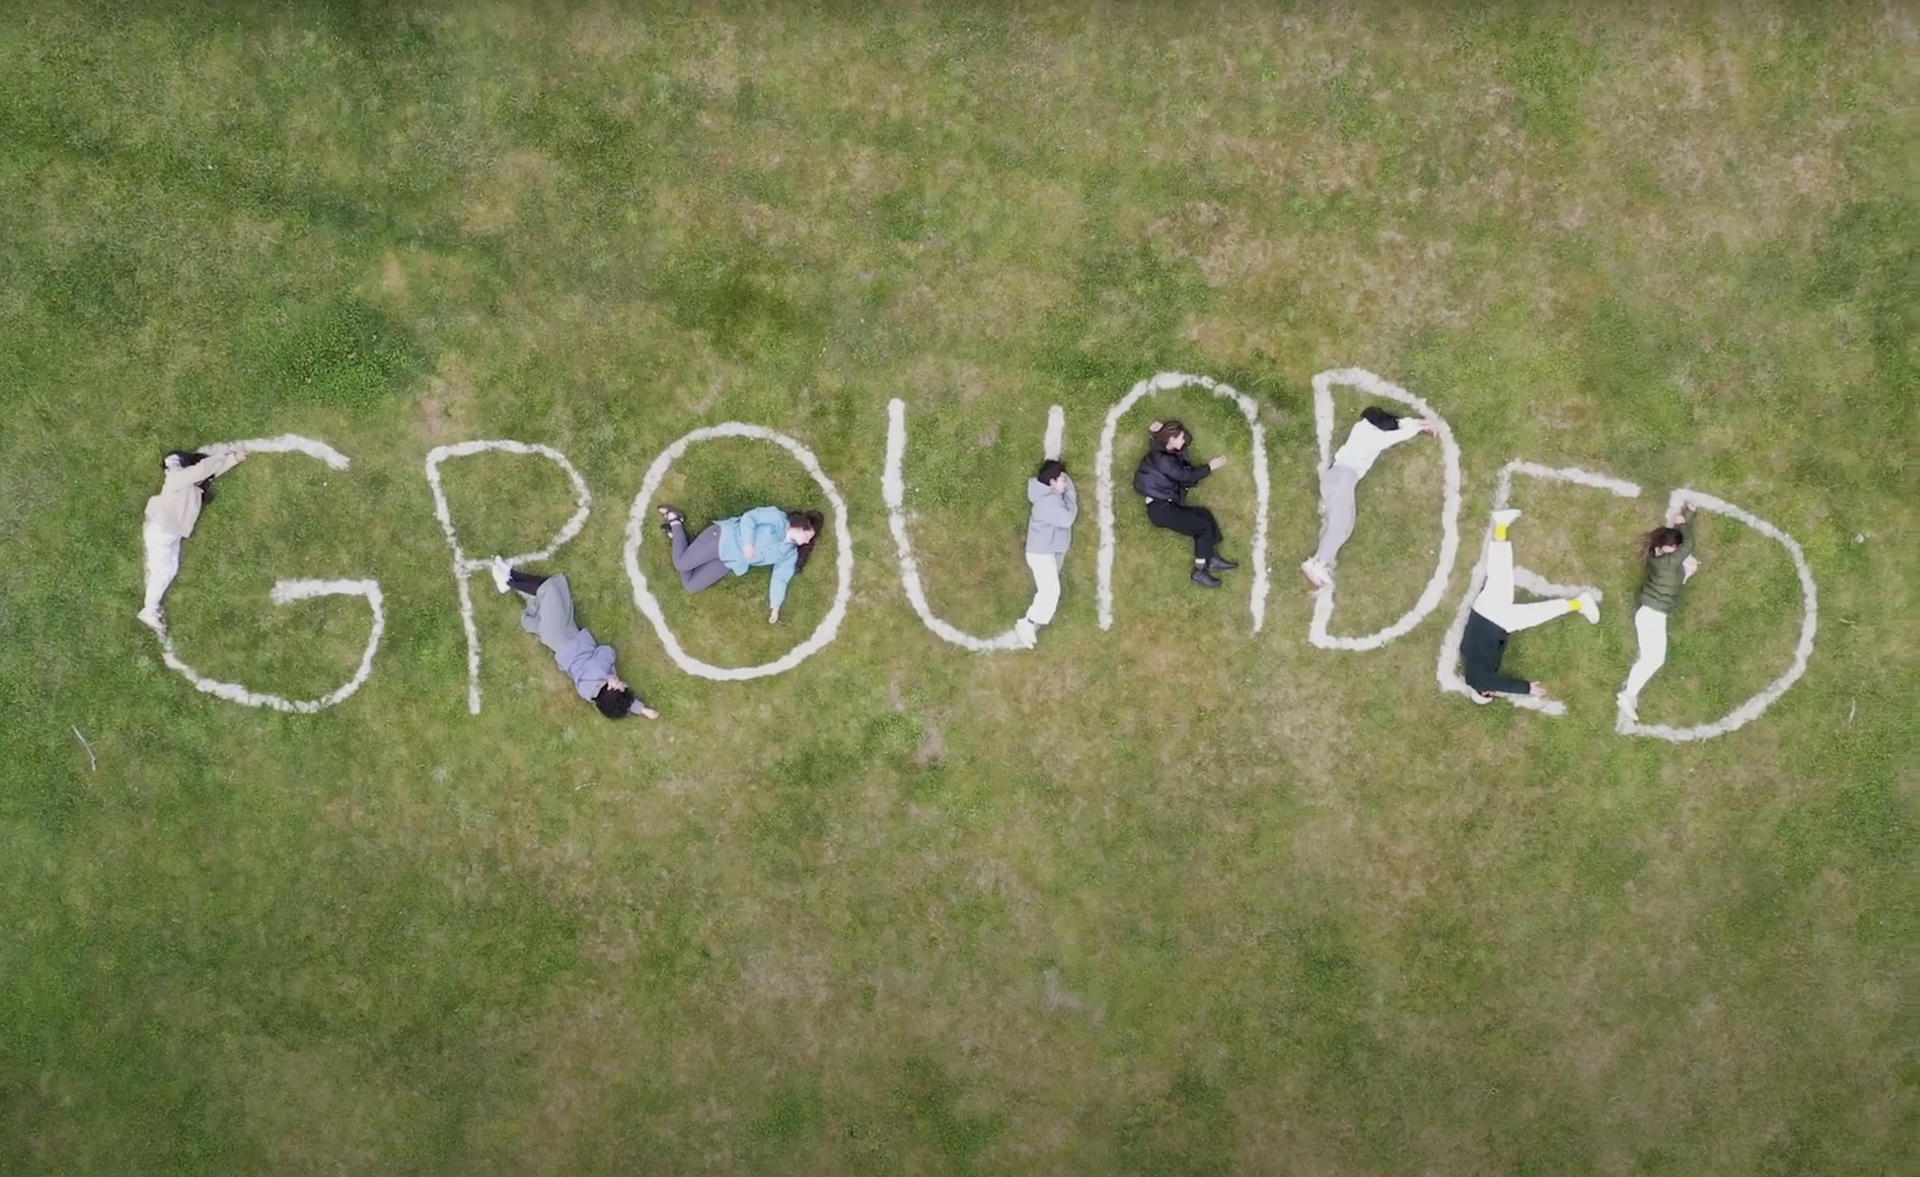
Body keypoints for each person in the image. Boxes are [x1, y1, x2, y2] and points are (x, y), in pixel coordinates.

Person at [1459, 509, 1599, 703]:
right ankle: (1501, 525)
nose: (1493, 691)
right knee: (1500, 573)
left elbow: (1496, 682)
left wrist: (1527, 689)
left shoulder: (1479, 681)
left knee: (1537, 614)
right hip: (1482, 610)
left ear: (1484, 692)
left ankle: (1579, 603)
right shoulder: (1466, 655)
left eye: (1491, 693)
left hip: (1497, 620)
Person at [489, 561, 658, 719]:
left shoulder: (598, 670)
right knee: (551, 602)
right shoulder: (590, 694)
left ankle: (508, 581)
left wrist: (609, 673)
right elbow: (623, 703)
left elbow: (606, 651)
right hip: (563, 642)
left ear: (612, 689)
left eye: (620, 685)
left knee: (550, 588)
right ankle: (512, 576)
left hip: (563, 635)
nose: (621, 681)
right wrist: (643, 710)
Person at [1300, 406, 1438, 588]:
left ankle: (1321, 562)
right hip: (1343, 478)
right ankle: (1317, 562)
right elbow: (1394, 434)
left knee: (1344, 526)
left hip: (1336, 478)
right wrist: (1420, 427)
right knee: (1340, 525)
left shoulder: (1365, 427)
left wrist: (1420, 423)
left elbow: (1396, 424)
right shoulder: (1372, 435)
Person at [655, 505, 822, 624]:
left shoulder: (790, 553)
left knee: (691, 586)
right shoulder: (777, 518)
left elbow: (780, 578)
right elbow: (750, 517)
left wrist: (775, 606)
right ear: (802, 526)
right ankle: (675, 520)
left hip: (729, 561)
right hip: (722, 538)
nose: (808, 541)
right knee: (681, 565)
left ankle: (679, 539)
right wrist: (748, 543)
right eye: (809, 535)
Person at [138, 447, 247, 630]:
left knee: (168, 569)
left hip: (169, 533)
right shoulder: (177, 478)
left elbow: (208, 473)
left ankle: (151, 606)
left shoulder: (192, 485)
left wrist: (233, 459)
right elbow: (202, 470)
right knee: (164, 570)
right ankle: (149, 610)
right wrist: (221, 454)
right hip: (162, 531)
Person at [1617, 503, 1701, 722]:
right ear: (1665, 548)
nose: (1677, 550)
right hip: (1652, 615)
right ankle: (1628, 694)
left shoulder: (1663, 559)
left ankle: (1629, 694)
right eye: (1673, 548)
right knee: (1654, 659)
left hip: (1651, 614)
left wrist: (1686, 517)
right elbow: (1688, 543)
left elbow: (1680, 544)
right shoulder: (1669, 562)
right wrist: (1685, 520)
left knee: (1652, 659)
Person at [1133, 419, 1236, 588]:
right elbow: (1185, 476)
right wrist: (1210, 467)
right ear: (1171, 439)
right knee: (1201, 526)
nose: (1183, 441)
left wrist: (1156, 432)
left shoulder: (1162, 450)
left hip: (1164, 506)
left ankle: (1211, 557)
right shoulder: (1164, 460)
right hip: (1161, 510)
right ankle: (1200, 572)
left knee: (1204, 514)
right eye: (1180, 438)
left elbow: (1177, 458)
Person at [1015, 458, 1077, 648]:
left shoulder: (1049, 498)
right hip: (1041, 553)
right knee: (1051, 591)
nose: (1065, 484)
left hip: (1044, 551)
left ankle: (1030, 623)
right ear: (1051, 482)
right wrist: (1070, 497)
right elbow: (1067, 519)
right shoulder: (1048, 501)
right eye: (1061, 480)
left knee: (1049, 590)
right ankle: (1027, 623)